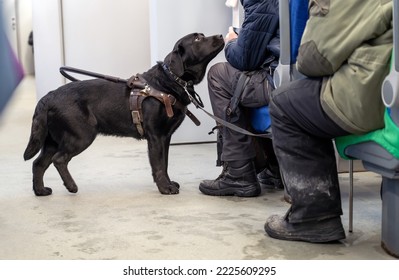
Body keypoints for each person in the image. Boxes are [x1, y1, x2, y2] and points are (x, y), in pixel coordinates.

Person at [264, 0, 393, 242]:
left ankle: (314, 217)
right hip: (387, 84)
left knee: (284, 103)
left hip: (375, 97)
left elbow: (314, 58)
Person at [199, 0, 281, 197]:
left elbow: (245, 58)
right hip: (305, 77)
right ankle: (274, 167)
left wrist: (232, 41)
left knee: (218, 74)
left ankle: (239, 174)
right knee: (241, 79)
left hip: (278, 82)